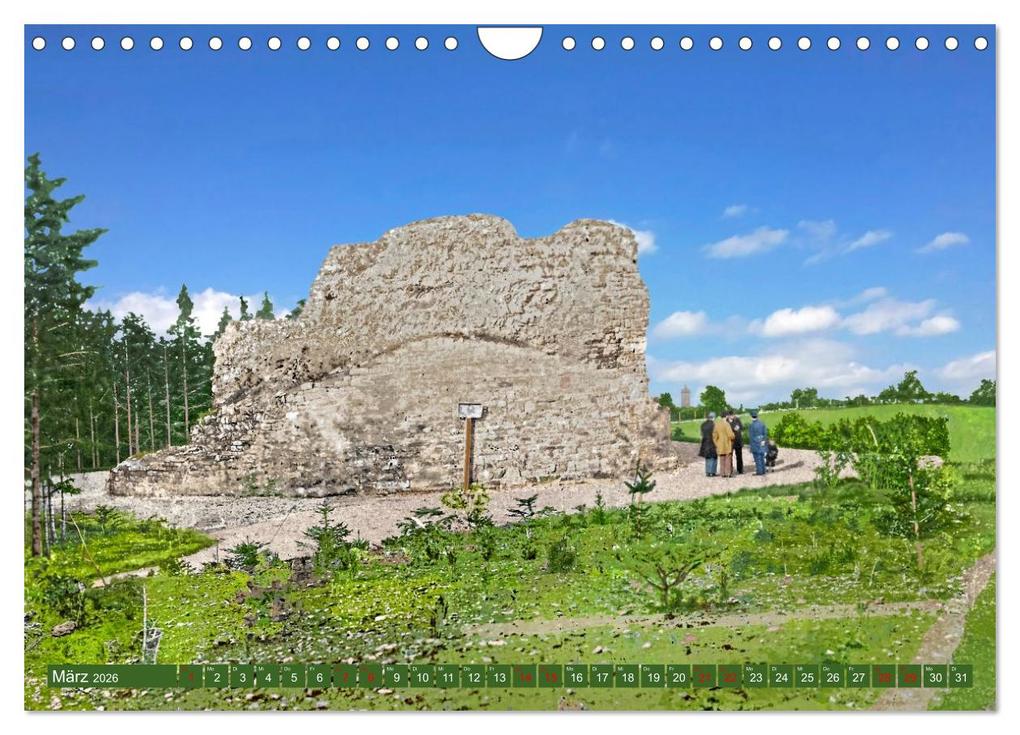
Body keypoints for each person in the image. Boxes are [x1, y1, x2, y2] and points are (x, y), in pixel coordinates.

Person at [712, 412, 735, 477]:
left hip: (720, 444)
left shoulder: (717, 424)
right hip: (727, 444)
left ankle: (722, 473)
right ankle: (728, 473)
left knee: (722, 459)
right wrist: (734, 436)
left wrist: (716, 443)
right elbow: (730, 435)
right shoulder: (727, 424)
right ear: (726, 416)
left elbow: (714, 435)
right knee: (728, 458)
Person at [748, 410, 769, 475]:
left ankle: (759, 472)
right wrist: (764, 441)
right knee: (762, 457)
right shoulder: (762, 423)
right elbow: (765, 433)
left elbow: (751, 436)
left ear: (751, 417)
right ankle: (763, 471)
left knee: (757, 458)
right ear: (757, 416)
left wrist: (751, 447)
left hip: (755, 443)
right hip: (762, 441)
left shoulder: (751, 425)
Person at [698, 412, 718, 476]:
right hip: (712, 442)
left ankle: (707, 472)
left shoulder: (703, 424)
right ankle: (712, 472)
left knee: (707, 457)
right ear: (713, 417)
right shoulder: (714, 424)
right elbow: (716, 434)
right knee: (713, 457)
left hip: (705, 442)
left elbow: (701, 434)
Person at [726, 410, 745, 475]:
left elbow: (741, 428)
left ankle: (740, 469)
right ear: (728, 415)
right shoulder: (726, 422)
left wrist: (738, 428)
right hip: (730, 442)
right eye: (732, 415)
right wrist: (734, 428)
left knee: (739, 456)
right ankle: (730, 470)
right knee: (729, 457)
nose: (733, 416)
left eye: (734, 415)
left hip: (738, 441)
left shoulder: (737, 420)